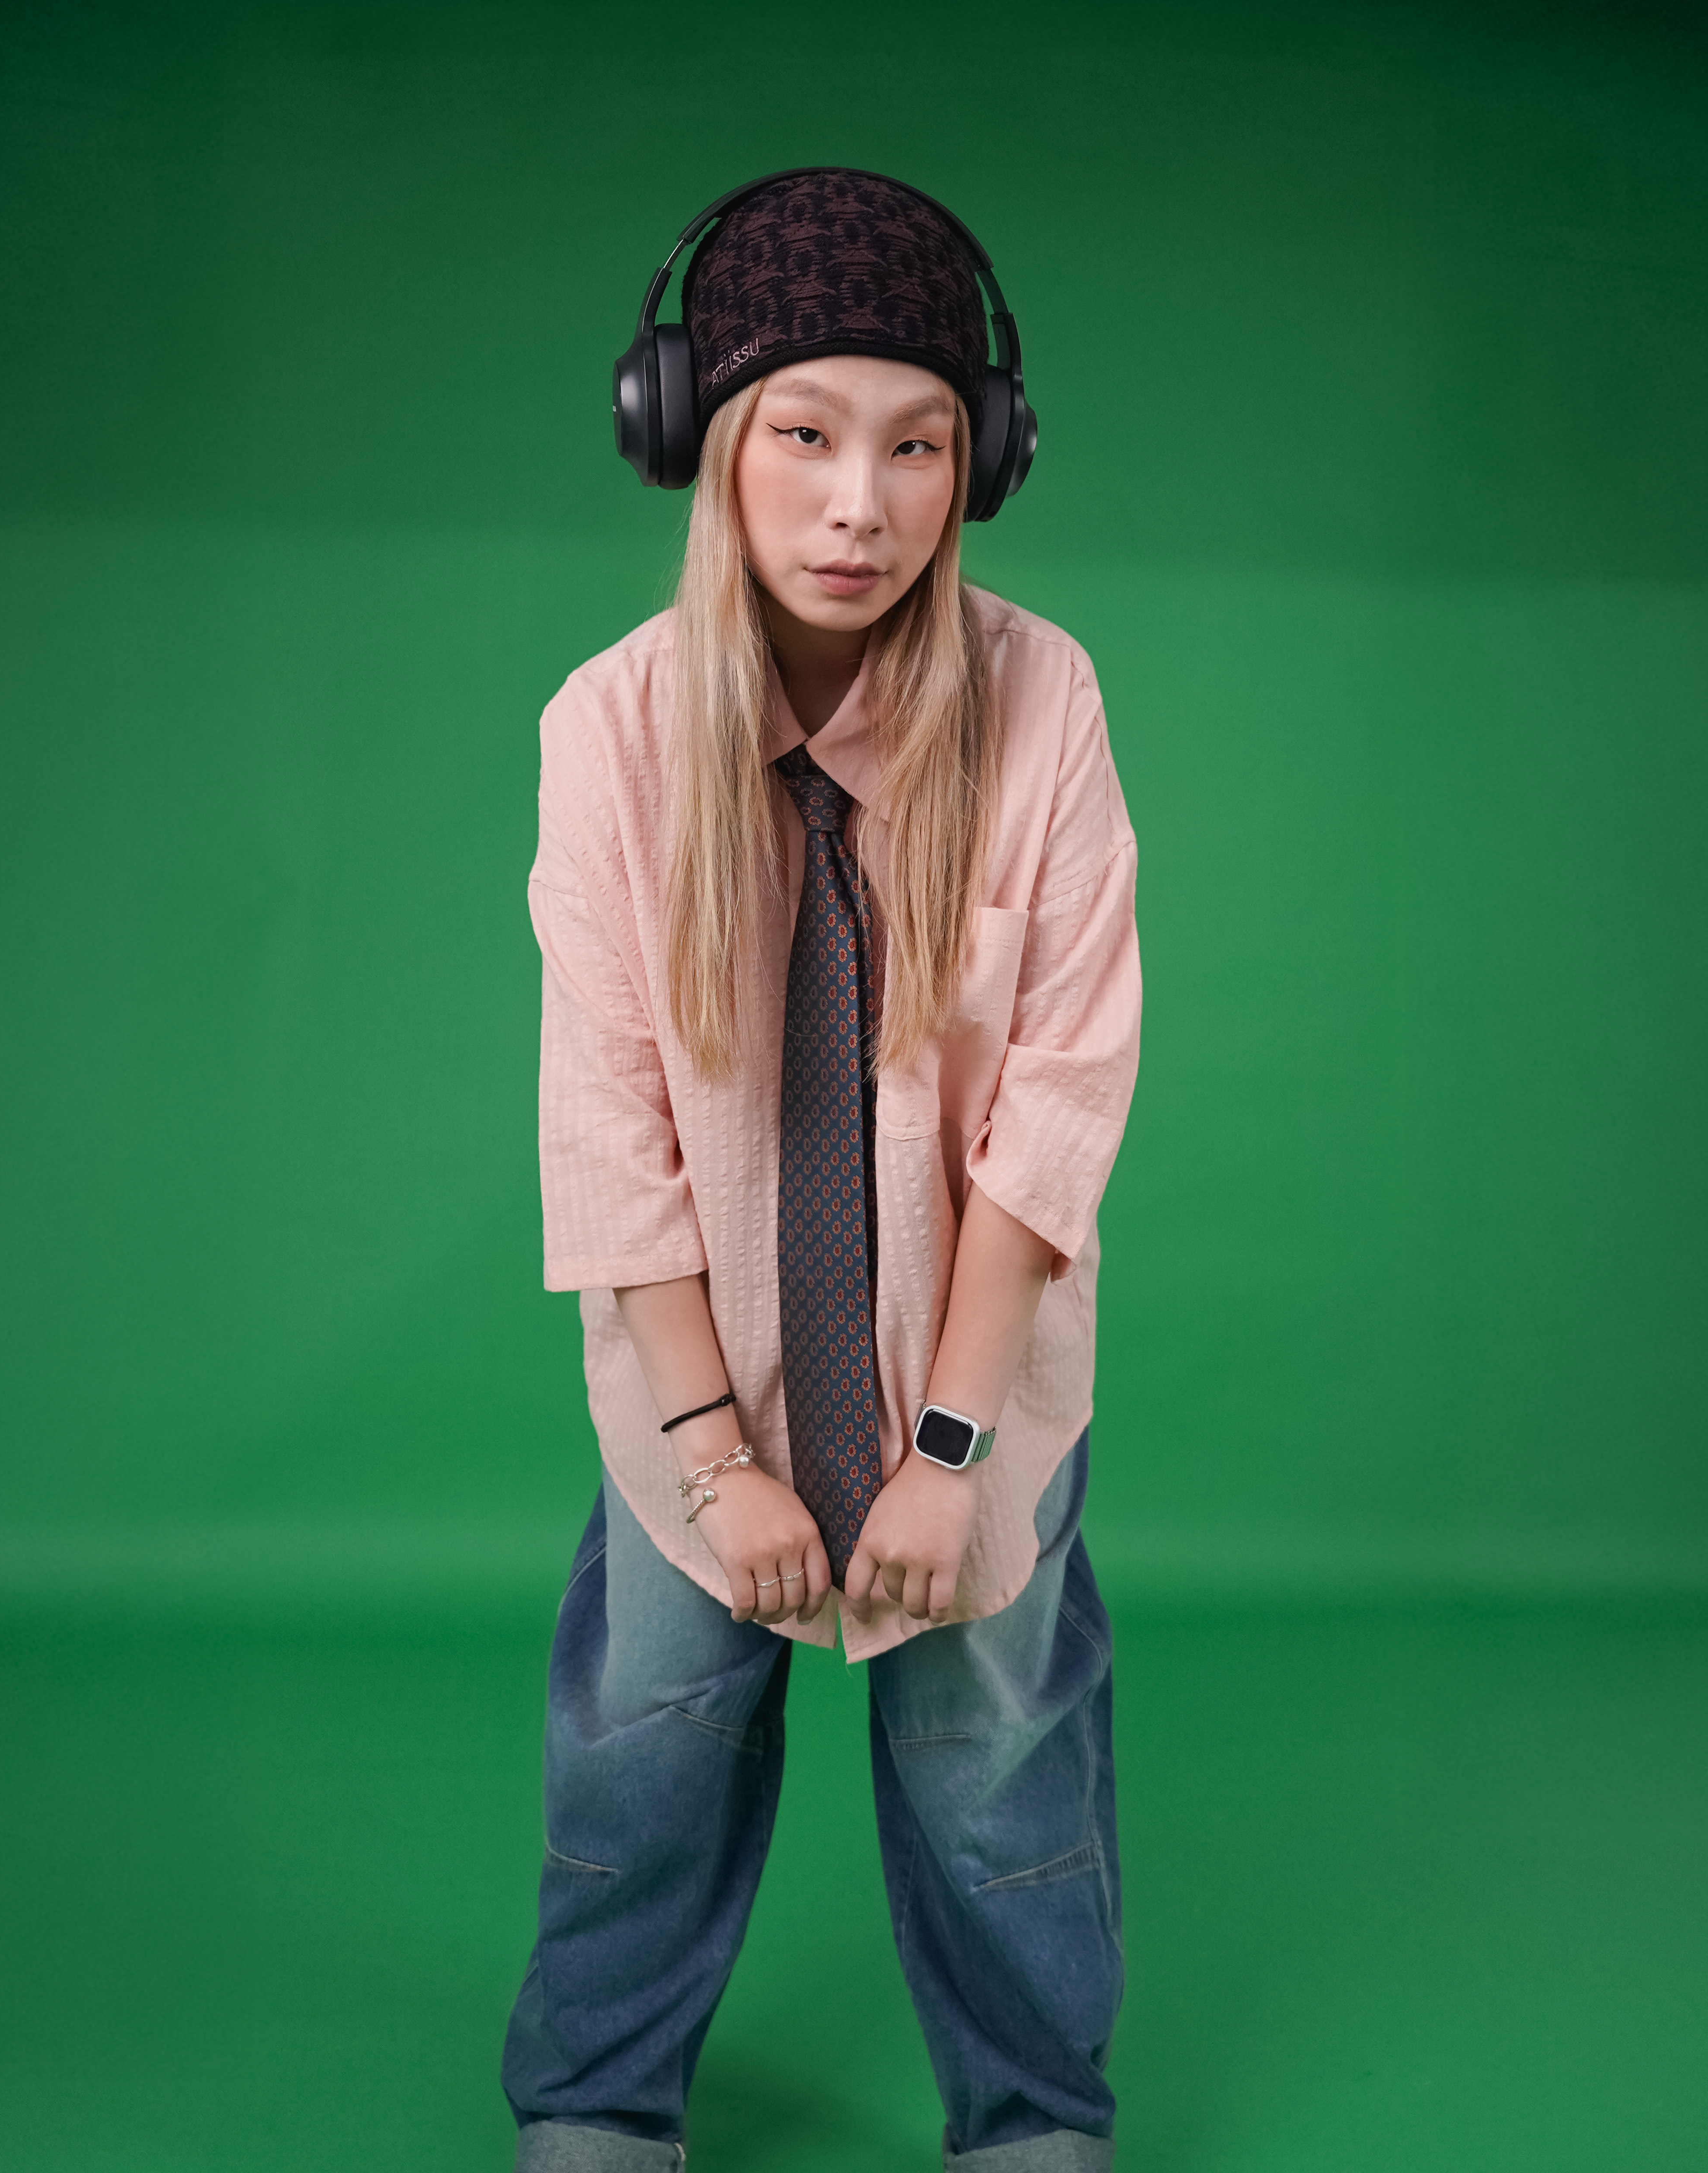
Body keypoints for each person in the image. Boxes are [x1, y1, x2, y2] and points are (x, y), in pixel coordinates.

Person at [502, 169, 1142, 2172]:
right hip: (699, 1395)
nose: (860, 503)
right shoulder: (608, 730)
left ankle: (1031, 2110)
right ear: (693, 433)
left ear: (984, 460)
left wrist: (947, 1448)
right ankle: (598, 2094)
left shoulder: (1044, 702)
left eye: (919, 444)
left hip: (975, 1389)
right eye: (804, 433)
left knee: (997, 1764)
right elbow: (609, 1129)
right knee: (644, 1751)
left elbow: (1057, 1101)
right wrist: (715, 1456)